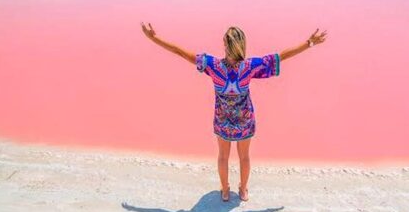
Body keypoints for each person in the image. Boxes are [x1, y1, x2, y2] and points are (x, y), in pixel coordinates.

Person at [140, 23, 327, 202]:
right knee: (244, 157)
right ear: (242, 44)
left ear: (224, 44)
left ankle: (225, 191)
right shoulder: (249, 66)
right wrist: (308, 43)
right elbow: (280, 57)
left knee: (223, 156)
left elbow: (180, 52)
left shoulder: (212, 65)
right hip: (245, 119)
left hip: (222, 120)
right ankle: (243, 190)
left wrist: (153, 38)